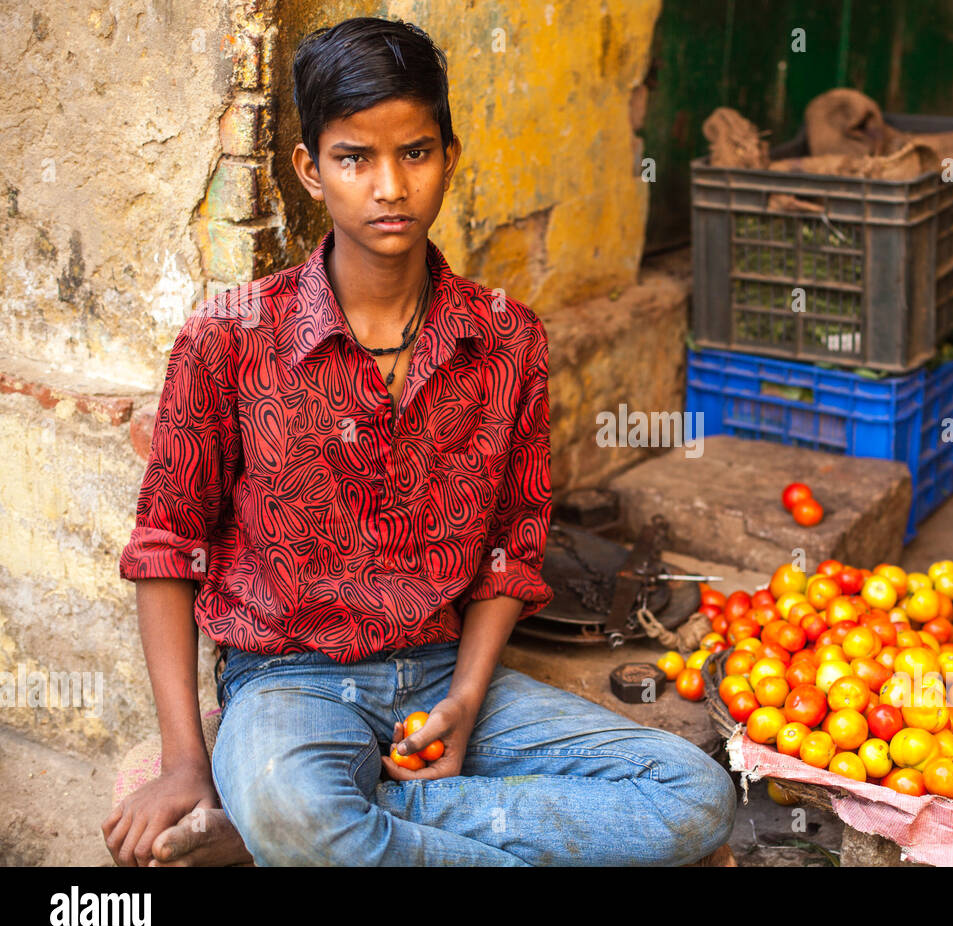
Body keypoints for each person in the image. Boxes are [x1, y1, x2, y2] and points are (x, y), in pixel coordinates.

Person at [102, 16, 735, 866]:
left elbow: (515, 543)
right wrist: (186, 762)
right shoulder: (231, 337)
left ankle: (308, 835)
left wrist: (467, 701)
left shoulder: (508, 339)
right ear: (310, 170)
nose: (389, 186)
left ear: (450, 155)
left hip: (443, 672)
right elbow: (165, 549)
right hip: (288, 682)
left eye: (416, 152)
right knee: (293, 801)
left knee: (696, 796)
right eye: (355, 157)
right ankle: (297, 823)